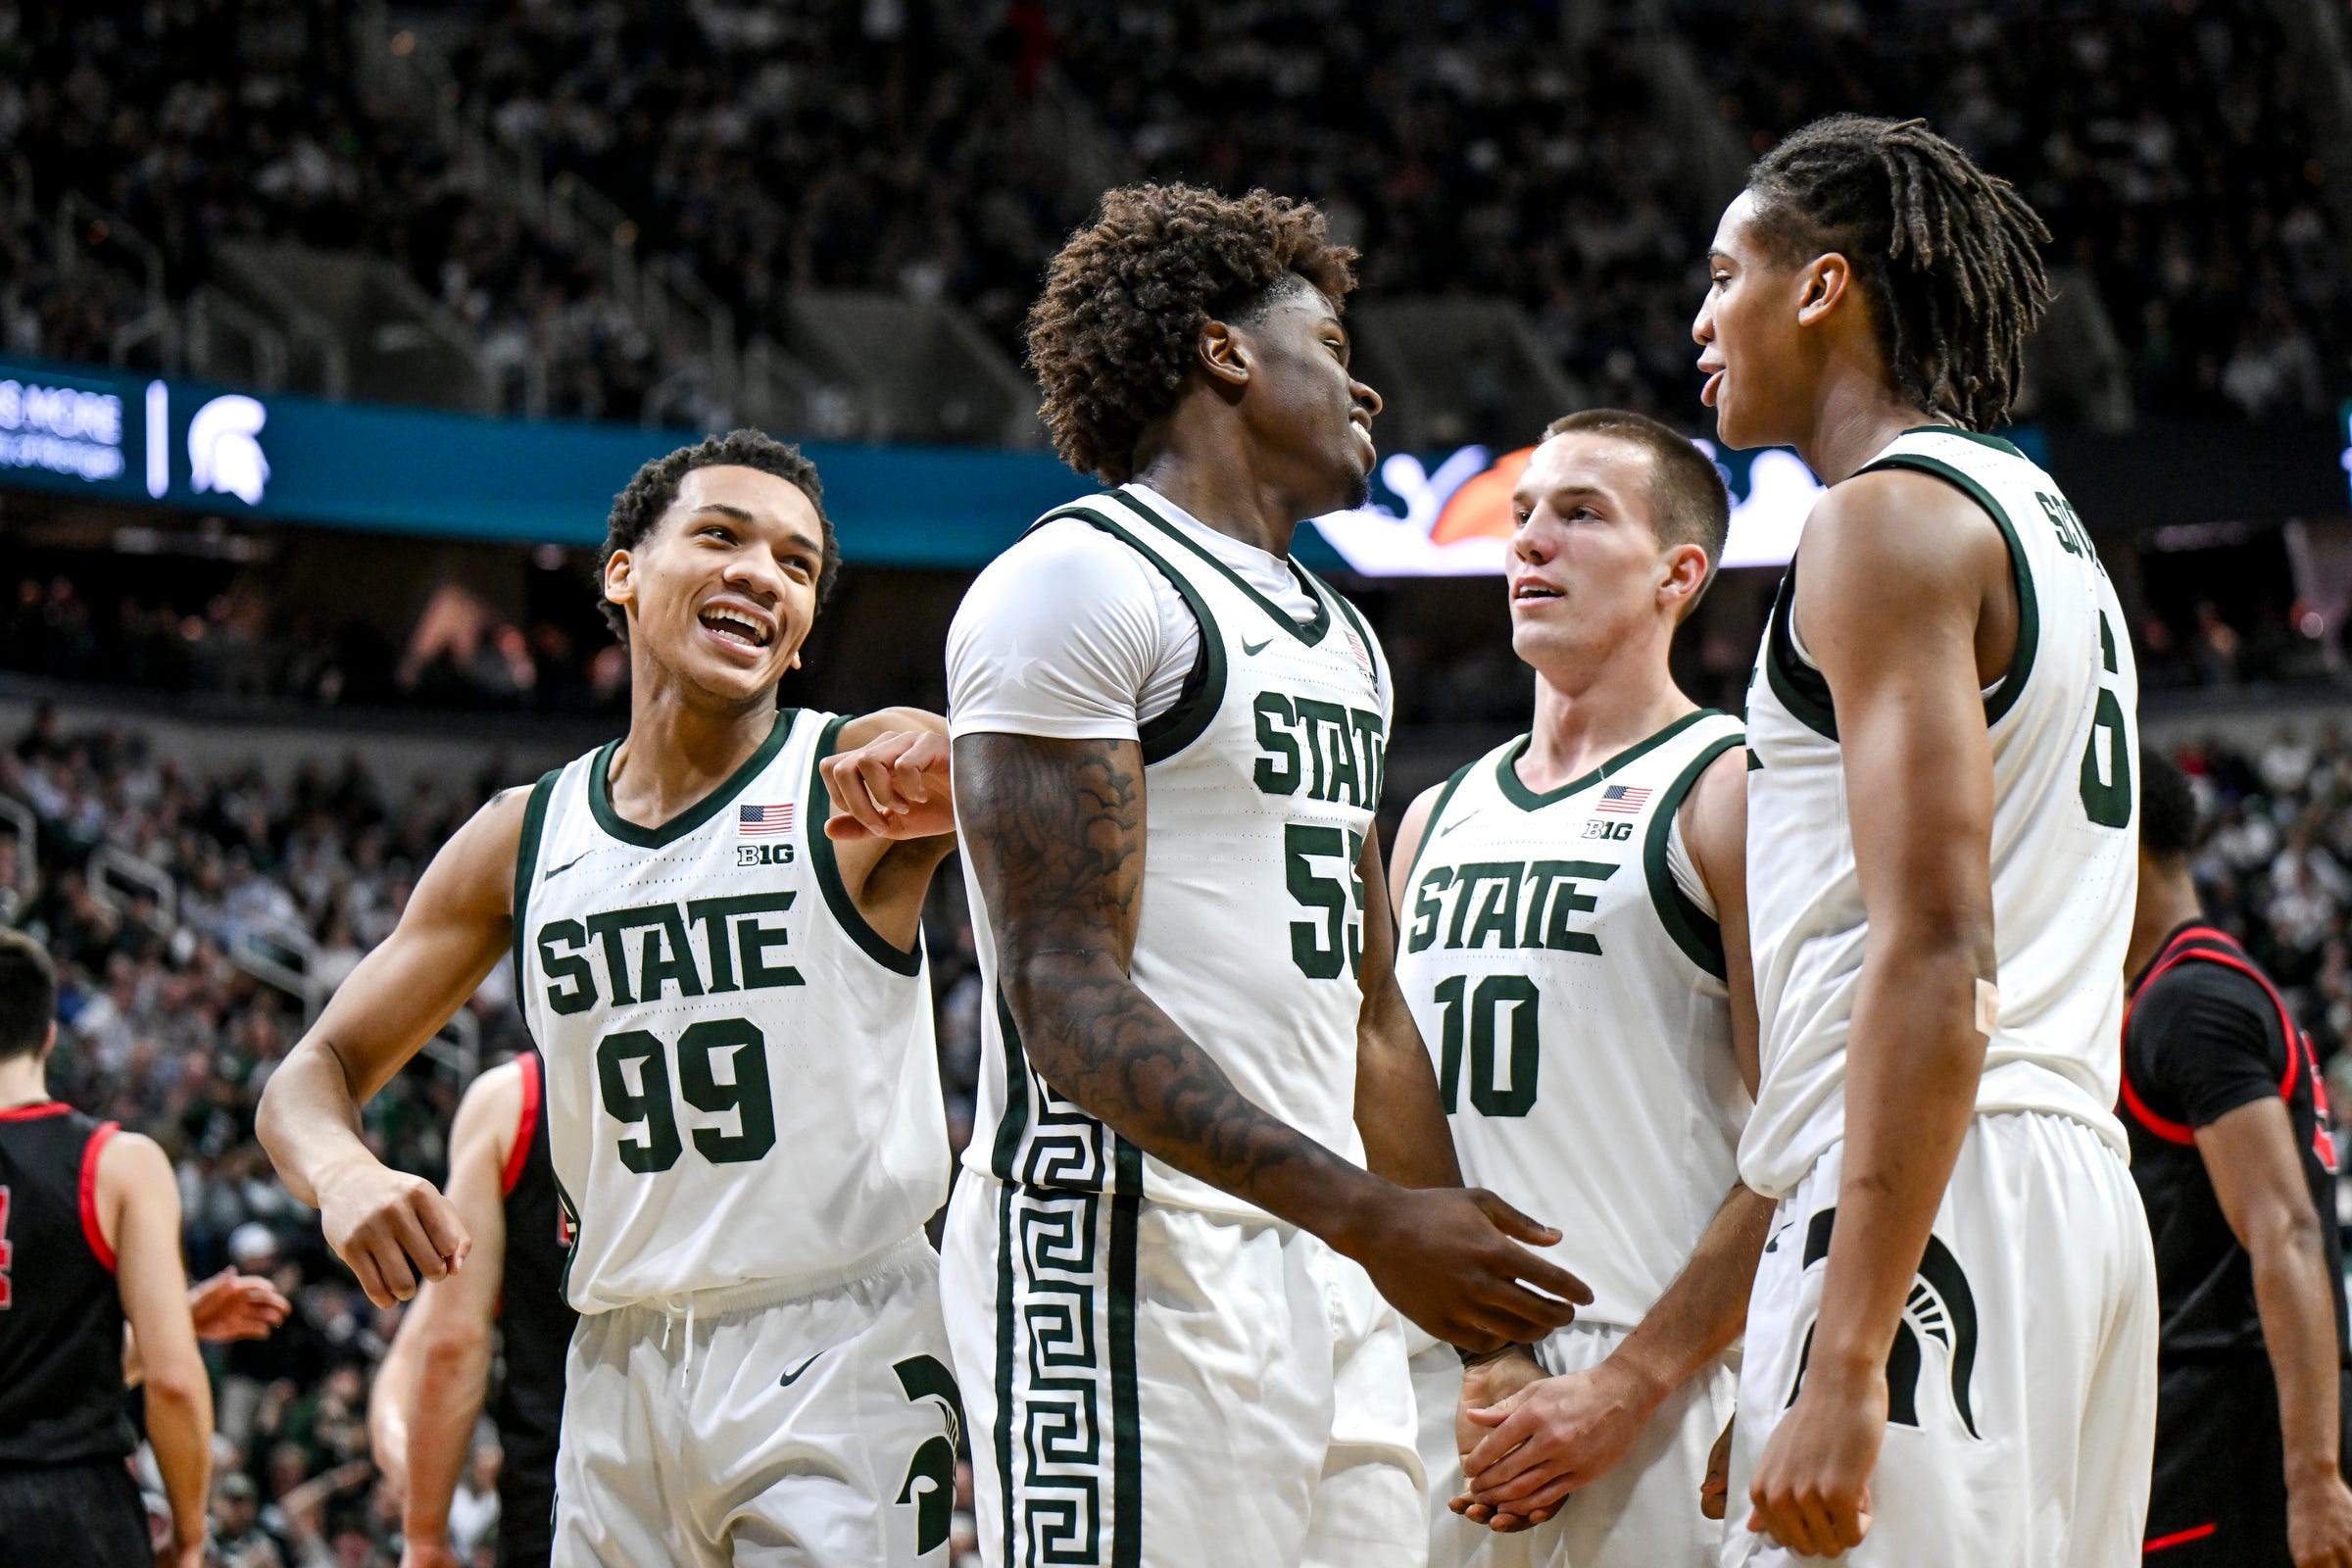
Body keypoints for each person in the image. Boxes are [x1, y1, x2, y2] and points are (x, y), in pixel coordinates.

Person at [940, 181, 1590, 1568]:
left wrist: (1480, 1324)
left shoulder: (1343, 636)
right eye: (1334, 349)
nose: (1367, 391)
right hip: (1123, 1255)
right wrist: (1368, 1215)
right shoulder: (1078, 582)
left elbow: (1371, 1010)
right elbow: (1059, 991)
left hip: (1326, 1261)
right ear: (1224, 353)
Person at [259, 429, 970, 1566]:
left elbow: (955, 756)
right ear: (624, 573)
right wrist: (344, 1175)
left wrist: (948, 756)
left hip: (836, 1345)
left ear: (801, 637)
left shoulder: (849, 782)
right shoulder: (524, 836)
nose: (761, 574)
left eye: (796, 565)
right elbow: (310, 1076)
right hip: (615, 1362)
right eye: (722, 536)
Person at [1690, 114, 2156, 1563]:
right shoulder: (2043, 517)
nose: (1701, 320)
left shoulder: (1881, 520)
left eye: (1725, 276)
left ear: (1821, 287)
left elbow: (1942, 945)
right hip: (2064, 1191)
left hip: (1937, 1194)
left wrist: (1844, 1357)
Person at [1389, 410, 1773, 1567]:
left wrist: (1632, 1381)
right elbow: (1389, 1116)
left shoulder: (1731, 789)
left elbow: (1814, 1137)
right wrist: (1481, 1351)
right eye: (1522, 516)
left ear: (1678, 574)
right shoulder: (1431, 817)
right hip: (1443, 1381)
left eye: (1581, 514)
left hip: (1654, 1383)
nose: (1530, 541)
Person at [2121, 749, 2352, 1566]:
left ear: (2117, 842)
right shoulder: (2183, 988)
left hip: (2231, 1443)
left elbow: (2286, 1232)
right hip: (2209, 1437)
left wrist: (2315, 1479)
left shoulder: (2190, 1001)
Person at [0, 928, 212, 1568]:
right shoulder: (118, 1164)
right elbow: (173, 1381)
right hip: (74, 1512)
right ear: (49, 1037)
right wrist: (189, 1533)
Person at [368, 1050, 576, 1568]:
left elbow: (448, 1346)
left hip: (562, 1496)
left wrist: (424, 1532)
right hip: (739, 1457)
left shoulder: (516, 1098)